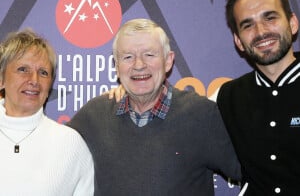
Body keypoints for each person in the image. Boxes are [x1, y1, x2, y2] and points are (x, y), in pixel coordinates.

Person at [69, 18, 241, 196]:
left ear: (168, 61)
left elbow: (255, 172)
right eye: (128, 57)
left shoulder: (202, 114)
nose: (139, 65)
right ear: (117, 67)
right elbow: (53, 161)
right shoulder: (95, 115)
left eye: (149, 55)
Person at [217, 0, 300, 195]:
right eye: (247, 25)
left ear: (293, 23)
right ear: (238, 40)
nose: (261, 31)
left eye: (270, 18)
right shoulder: (228, 97)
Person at [0, 29, 94, 195]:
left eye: (43, 73)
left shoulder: (70, 144)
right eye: (23, 69)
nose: (34, 80)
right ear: (1, 79)